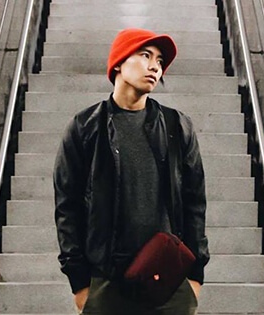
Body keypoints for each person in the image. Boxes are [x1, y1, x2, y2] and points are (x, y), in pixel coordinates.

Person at [54, 28, 209, 314]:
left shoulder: (177, 127)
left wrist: (195, 275)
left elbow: (195, 202)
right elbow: (67, 206)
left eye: (160, 61)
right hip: (106, 281)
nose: (155, 67)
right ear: (118, 62)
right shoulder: (85, 128)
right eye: (145, 55)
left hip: (169, 281)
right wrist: (79, 282)